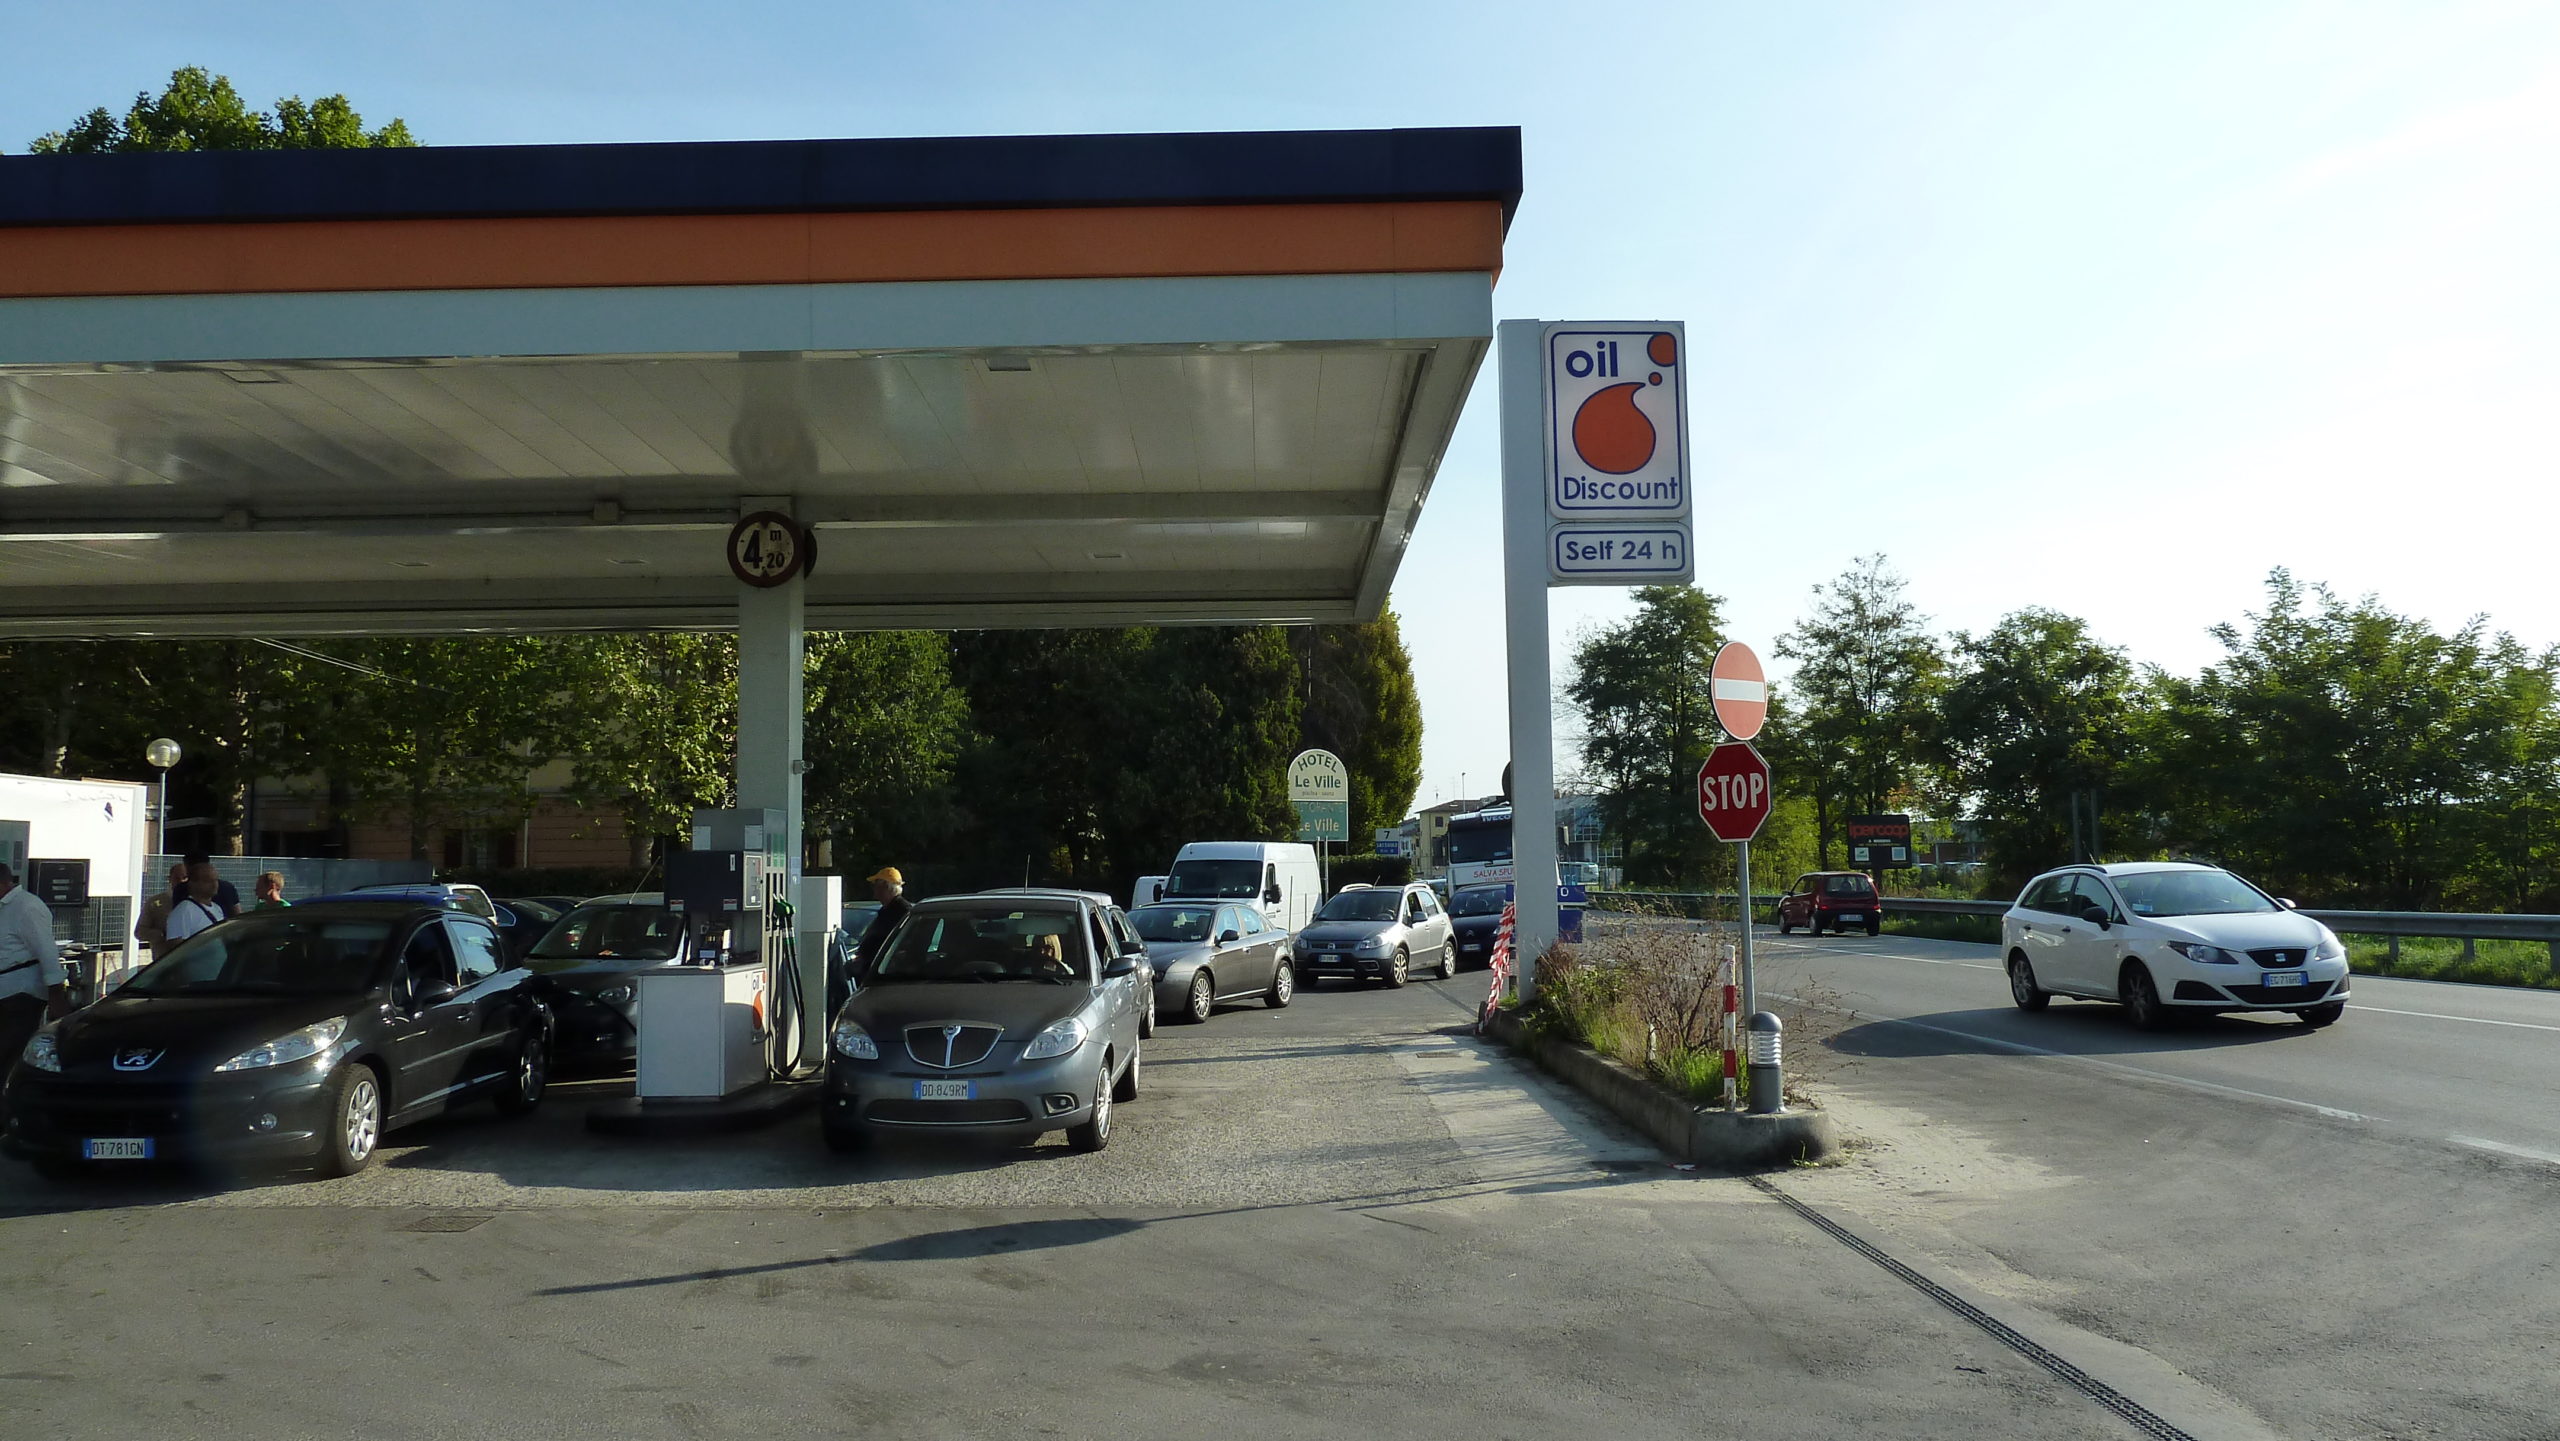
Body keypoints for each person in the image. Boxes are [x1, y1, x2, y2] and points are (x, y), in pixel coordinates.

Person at [0, 863, 69, 1070]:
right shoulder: (4, 907)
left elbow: (46, 950)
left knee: (10, 1053)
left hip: (20, 992)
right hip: (5, 991)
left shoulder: (26, 906)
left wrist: (56, 993)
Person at [852, 866, 911, 978]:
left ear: (886, 888)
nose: (874, 890)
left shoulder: (902, 911)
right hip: (875, 967)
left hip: (886, 972)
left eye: (876, 886)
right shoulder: (887, 909)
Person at [133, 861, 190, 960]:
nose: (181, 881)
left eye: (185, 878)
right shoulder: (155, 903)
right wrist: (161, 934)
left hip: (191, 959)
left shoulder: (197, 902)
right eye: (177, 878)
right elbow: (139, 932)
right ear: (169, 879)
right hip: (164, 960)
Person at [164, 865, 228, 947]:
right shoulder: (183, 911)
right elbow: (176, 947)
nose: (214, 884)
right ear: (193, 884)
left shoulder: (217, 908)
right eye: (208, 881)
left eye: (216, 880)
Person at [175, 852, 241, 917]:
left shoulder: (181, 889)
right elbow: (237, 913)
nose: (214, 885)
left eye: (214, 880)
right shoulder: (228, 887)